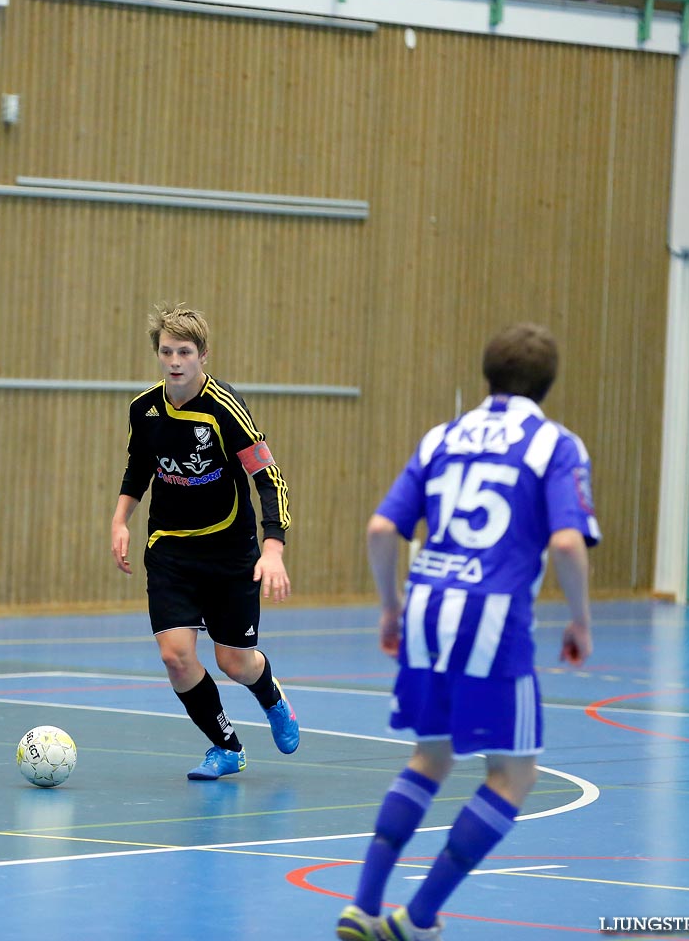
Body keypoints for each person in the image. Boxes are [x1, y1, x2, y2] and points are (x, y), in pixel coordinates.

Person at [336, 323, 597, 941]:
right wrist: (581, 619)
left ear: (487, 373)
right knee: (514, 775)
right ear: (549, 384)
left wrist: (391, 608)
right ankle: (417, 918)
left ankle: (363, 906)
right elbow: (565, 540)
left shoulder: (441, 437)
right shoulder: (555, 445)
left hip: (428, 609)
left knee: (430, 756)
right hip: (495, 621)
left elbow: (381, 530)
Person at [111, 303, 298, 780]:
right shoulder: (144, 409)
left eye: (185, 352)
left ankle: (272, 698)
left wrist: (273, 544)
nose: (175, 360)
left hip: (230, 552)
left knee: (234, 662)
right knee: (175, 655)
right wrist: (120, 521)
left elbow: (266, 473)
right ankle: (226, 747)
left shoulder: (224, 408)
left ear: (203, 355)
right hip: (171, 551)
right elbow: (139, 469)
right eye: (167, 351)